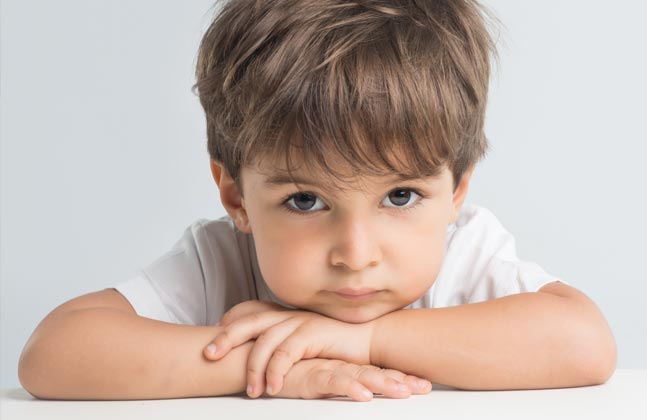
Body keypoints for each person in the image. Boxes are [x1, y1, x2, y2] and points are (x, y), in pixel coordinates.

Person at [18, 0, 616, 402]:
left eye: (401, 195)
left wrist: (363, 341)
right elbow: (53, 355)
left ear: (456, 190)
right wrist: (277, 364)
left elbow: (584, 344)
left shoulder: (464, 257)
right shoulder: (223, 260)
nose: (356, 255)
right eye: (305, 201)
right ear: (236, 196)